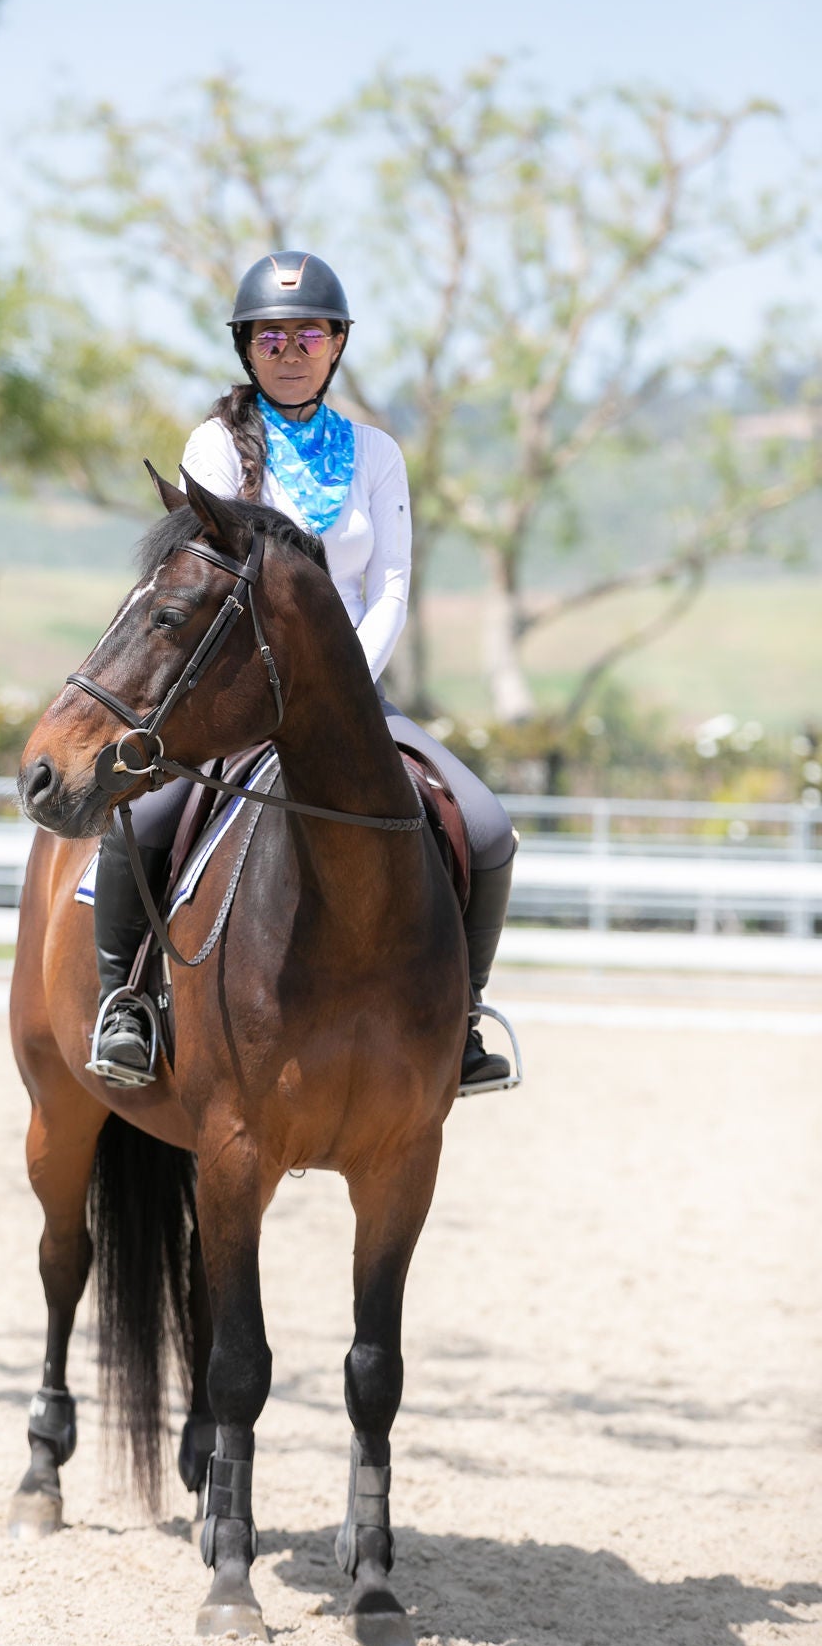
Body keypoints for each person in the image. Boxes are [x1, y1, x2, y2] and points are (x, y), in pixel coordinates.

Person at [90, 250, 516, 1091]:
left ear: (337, 345)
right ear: (247, 348)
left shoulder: (376, 454)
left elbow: (390, 584)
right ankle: (126, 1003)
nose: (290, 349)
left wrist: (343, 689)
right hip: (239, 700)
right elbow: (207, 578)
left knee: (488, 825)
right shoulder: (214, 446)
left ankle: (458, 1016)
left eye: (307, 333)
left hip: (356, 696)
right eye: (271, 335)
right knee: (138, 823)